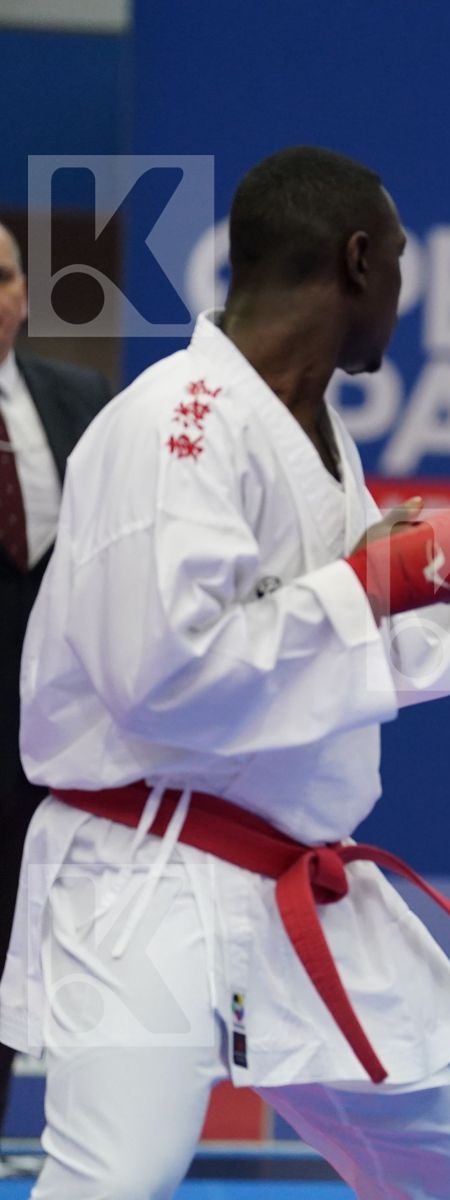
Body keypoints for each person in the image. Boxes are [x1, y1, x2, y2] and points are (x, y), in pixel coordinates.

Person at [0, 146, 450, 1199]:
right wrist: (365, 582)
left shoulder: (314, 436)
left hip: (293, 876)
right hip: (146, 870)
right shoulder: (172, 424)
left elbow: (366, 646)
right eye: (404, 264)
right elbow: (161, 678)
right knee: (117, 1177)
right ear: (360, 260)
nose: (404, 298)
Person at [0, 219, 113, 1150]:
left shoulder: (82, 403)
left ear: (25, 294)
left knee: (13, 974)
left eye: (3, 277)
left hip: (40, 759)